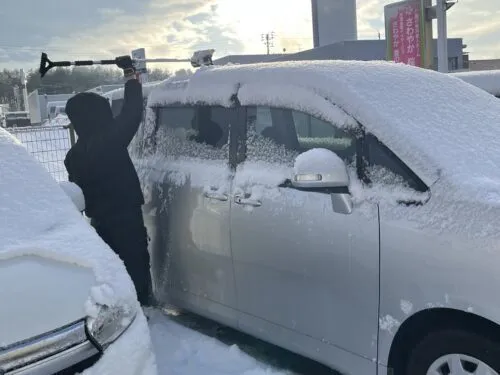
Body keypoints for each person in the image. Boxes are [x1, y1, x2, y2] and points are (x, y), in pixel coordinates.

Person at [64, 56, 152, 307]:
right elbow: (132, 112)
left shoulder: (73, 156)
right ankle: (140, 306)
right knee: (135, 262)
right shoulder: (109, 141)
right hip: (125, 217)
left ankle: (119, 305)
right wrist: (129, 74)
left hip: (100, 222)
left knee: (112, 267)